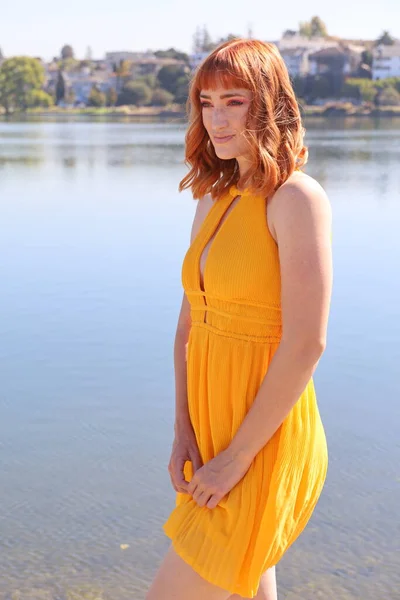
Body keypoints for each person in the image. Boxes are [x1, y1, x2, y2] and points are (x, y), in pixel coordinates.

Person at [146, 38, 333, 600]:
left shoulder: (295, 198)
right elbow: (188, 325)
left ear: (270, 103)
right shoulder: (213, 196)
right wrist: (184, 430)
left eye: (234, 101)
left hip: (261, 440)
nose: (216, 118)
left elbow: (306, 343)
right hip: (211, 433)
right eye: (206, 103)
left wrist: (235, 458)